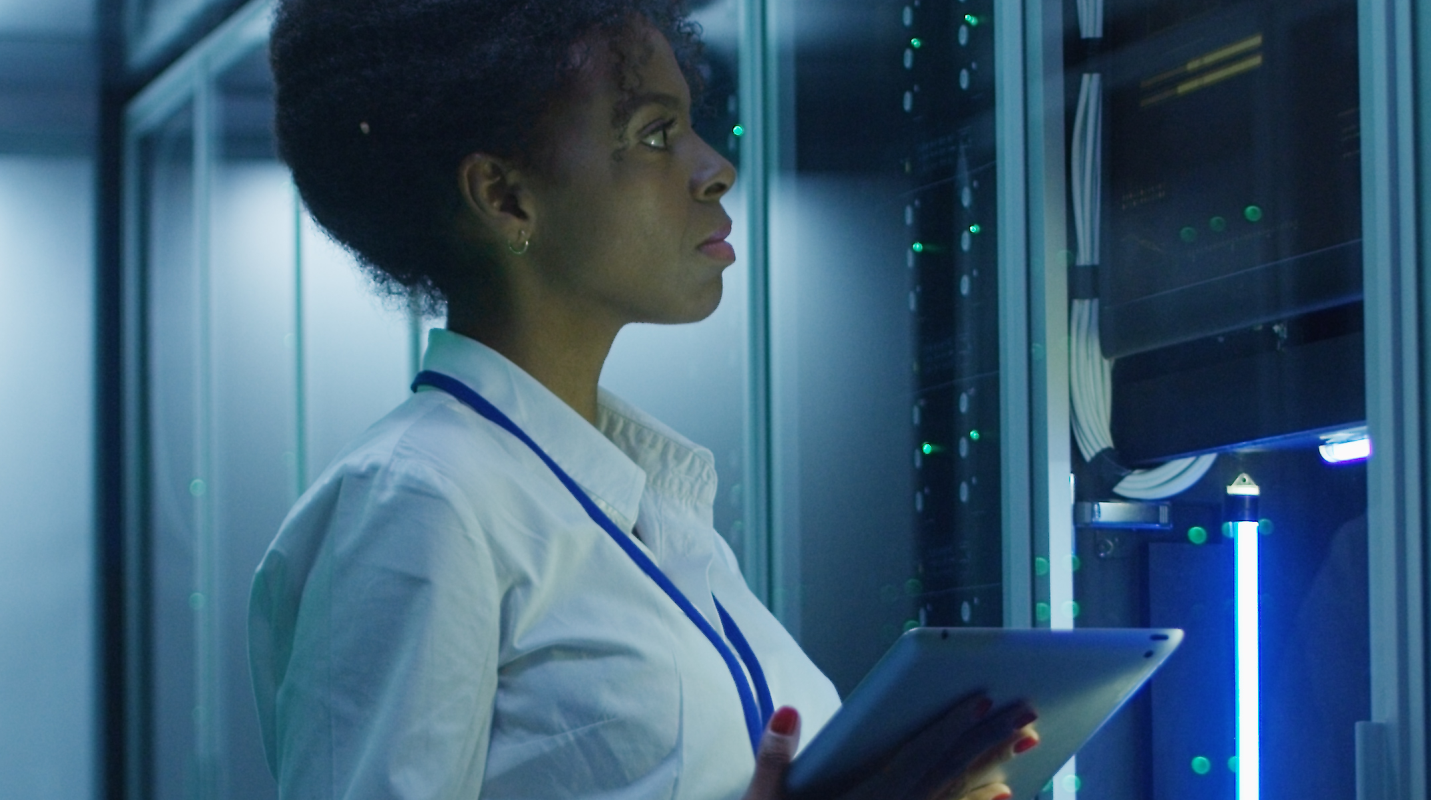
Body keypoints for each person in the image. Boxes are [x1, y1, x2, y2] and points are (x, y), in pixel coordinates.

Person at [247, 1, 1036, 797]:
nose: (716, 167)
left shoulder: (654, 506)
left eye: (691, 126)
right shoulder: (419, 500)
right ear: (505, 195)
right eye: (656, 136)